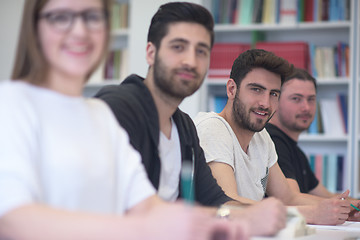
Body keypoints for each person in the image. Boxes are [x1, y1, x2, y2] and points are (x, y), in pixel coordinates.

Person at [0, 0, 247, 239]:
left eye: (93, 17)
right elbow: (10, 219)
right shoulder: (11, 103)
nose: (80, 31)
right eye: (61, 17)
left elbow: (148, 206)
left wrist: (224, 224)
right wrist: (145, 229)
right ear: (35, 28)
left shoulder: (100, 116)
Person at [95, 1, 286, 237]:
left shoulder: (184, 127)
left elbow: (215, 202)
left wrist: (256, 215)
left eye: (201, 51)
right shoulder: (119, 108)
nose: (191, 61)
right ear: (151, 53)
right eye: (178, 47)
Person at [194, 49, 354, 225]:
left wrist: (343, 209)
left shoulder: (261, 137)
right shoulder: (212, 127)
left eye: (273, 94)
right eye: (256, 89)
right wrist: (312, 214)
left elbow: (288, 197)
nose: (265, 103)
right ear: (232, 89)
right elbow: (228, 202)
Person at [265, 67, 360, 221]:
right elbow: (291, 198)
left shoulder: (297, 152)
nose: (306, 107)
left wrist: (354, 205)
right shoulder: (272, 140)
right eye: (296, 99)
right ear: (276, 101)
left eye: (311, 99)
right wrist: (344, 206)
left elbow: (326, 195)